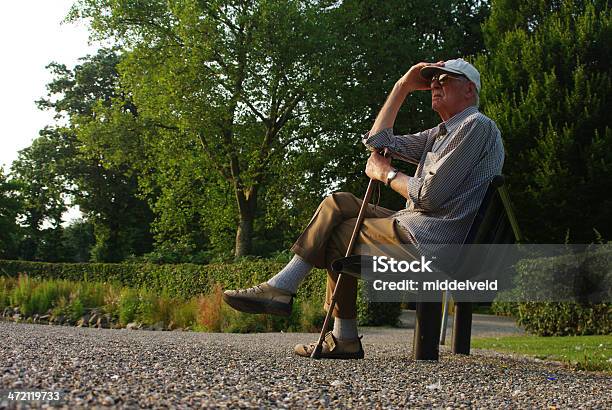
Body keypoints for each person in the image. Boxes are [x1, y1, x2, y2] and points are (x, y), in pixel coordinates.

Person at [223, 58, 504, 359]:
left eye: (445, 79)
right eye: (432, 78)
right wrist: (403, 86)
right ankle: (283, 288)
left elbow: (428, 196)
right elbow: (378, 141)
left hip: (432, 241)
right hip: (418, 228)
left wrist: (387, 174)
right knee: (339, 202)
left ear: (469, 89)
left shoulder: (476, 126)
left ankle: (331, 327)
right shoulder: (440, 134)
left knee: (340, 232)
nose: (434, 83)